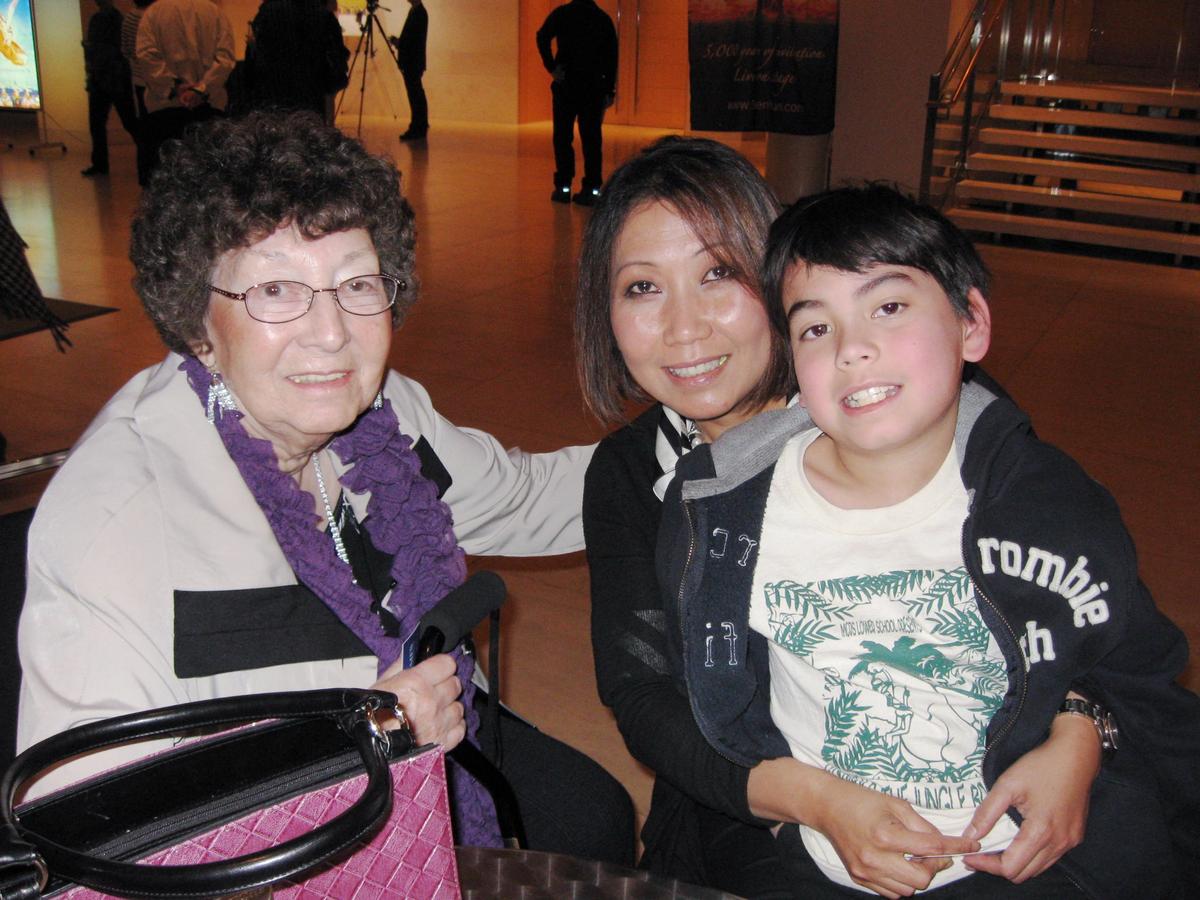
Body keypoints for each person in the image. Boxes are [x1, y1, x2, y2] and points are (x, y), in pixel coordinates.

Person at [17, 111, 633, 863]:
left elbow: (530, 497)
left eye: (356, 284)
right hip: (265, 835)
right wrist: (360, 742)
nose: (332, 332)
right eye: (276, 289)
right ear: (196, 322)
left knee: (591, 819)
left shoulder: (384, 417)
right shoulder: (116, 523)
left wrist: (698, 441)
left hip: (425, 721)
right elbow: (91, 830)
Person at [576, 140, 1118, 899]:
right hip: (749, 797)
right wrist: (817, 802)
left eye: (718, 274)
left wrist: (1080, 729)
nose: (684, 328)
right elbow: (644, 699)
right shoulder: (635, 476)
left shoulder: (916, 403)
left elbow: (1071, 613)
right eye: (641, 288)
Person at [135, 0, 235, 176]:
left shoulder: (154, 12)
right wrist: (200, 89)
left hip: (164, 108)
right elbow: (225, 58)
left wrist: (175, 87)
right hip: (208, 106)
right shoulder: (214, 12)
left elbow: (146, 56)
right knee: (209, 173)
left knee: (167, 174)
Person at [536, 0, 617, 206]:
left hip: (567, 84)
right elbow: (611, 57)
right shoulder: (602, 19)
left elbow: (542, 35)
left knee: (563, 137)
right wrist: (609, 89)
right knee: (592, 139)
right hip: (593, 88)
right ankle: (592, 188)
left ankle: (563, 186)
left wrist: (552, 67)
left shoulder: (563, 13)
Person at [246, 0, 348, 118]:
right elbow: (337, 62)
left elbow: (254, 56)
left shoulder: (267, 11)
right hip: (311, 97)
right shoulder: (323, 15)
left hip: (273, 97)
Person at [81, 0, 139, 178]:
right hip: (110, 77)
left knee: (122, 121)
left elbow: (107, 49)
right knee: (120, 121)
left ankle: (100, 163)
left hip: (110, 77)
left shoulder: (109, 19)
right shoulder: (114, 19)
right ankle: (100, 162)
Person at [119, 0, 157, 186]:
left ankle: (145, 175)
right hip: (153, 81)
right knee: (153, 130)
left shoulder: (130, 18)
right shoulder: (153, 17)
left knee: (144, 129)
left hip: (139, 80)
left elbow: (126, 50)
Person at [393, 0, 428, 141]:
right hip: (412, 62)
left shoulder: (419, 13)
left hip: (412, 62)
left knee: (415, 95)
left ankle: (418, 127)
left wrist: (399, 43)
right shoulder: (416, 11)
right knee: (416, 94)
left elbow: (413, 40)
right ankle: (419, 125)